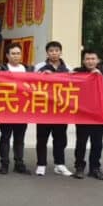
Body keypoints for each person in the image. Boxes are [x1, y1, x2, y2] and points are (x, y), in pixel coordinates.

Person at [72, 49, 103, 180]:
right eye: (87, 59)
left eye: (93, 59)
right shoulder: (77, 72)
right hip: (82, 113)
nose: (90, 61)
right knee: (81, 142)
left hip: (98, 113)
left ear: (98, 60)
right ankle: (79, 167)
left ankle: (95, 168)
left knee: (97, 143)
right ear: (83, 61)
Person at [34, 41, 72, 177]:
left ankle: (59, 164)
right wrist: (41, 75)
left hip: (61, 110)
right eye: (51, 51)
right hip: (43, 109)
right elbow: (31, 83)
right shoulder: (39, 67)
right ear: (47, 53)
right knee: (42, 138)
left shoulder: (68, 68)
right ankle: (41, 164)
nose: (54, 53)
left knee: (60, 138)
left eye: (56, 50)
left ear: (60, 52)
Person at [0, 43, 32, 175]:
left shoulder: (28, 69)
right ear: (7, 56)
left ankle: (19, 163)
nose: (16, 56)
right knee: (5, 137)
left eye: (18, 53)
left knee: (19, 138)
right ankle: (4, 164)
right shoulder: (1, 70)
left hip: (23, 109)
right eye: (13, 53)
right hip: (6, 108)